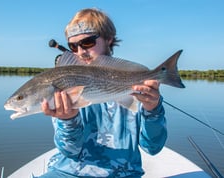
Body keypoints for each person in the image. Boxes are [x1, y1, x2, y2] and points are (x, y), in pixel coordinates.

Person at [39, 8, 167, 178]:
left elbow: (152, 147)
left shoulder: (138, 89)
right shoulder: (64, 88)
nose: (80, 52)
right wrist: (68, 120)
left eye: (87, 42)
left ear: (109, 40)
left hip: (124, 174)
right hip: (67, 172)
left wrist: (153, 110)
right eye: (73, 46)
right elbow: (70, 151)